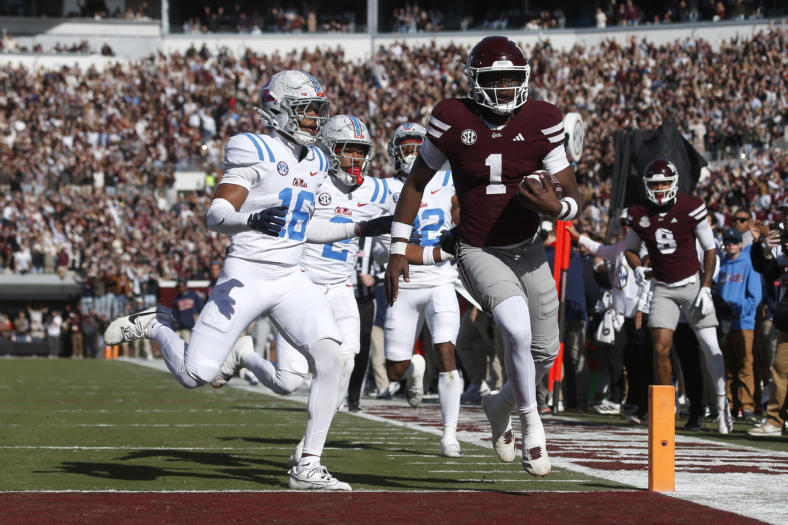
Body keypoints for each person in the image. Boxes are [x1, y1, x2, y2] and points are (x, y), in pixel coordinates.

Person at [104, 71, 389, 492]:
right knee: (194, 375)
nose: (313, 119)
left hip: (292, 277)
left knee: (334, 360)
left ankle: (308, 465)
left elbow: (304, 229)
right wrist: (250, 219)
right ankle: (156, 324)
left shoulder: (315, 162)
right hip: (247, 273)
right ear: (278, 109)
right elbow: (215, 215)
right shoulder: (251, 147)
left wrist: (361, 229)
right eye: (306, 110)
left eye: (317, 111)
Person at [386, 36, 582, 477]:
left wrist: (557, 209)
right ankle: (532, 425)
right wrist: (398, 248)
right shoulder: (452, 117)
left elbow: (573, 196)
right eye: (494, 79)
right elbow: (416, 183)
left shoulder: (543, 118)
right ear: (475, 81)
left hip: (529, 249)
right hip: (478, 248)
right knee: (514, 328)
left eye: (511, 79)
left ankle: (500, 403)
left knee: (545, 353)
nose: (503, 88)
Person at [624, 159, 733, 434]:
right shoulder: (639, 212)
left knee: (711, 347)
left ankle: (722, 405)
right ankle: (665, 405)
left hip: (692, 284)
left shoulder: (691, 206)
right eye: (654, 184)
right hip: (662, 287)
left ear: (673, 184)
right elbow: (630, 249)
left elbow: (710, 249)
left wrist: (706, 287)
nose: (659, 189)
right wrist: (638, 267)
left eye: (664, 183)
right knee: (660, 347)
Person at [376, 122, 464, 458]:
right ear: (394, 150)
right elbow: (397, 251)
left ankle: (449, 434)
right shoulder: (384, 190)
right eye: (406, 146)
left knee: (446, 351)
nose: (413, 153)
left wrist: (461, 227)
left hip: (441, 281)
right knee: (394, 370)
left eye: (418, 146)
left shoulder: (446, 179)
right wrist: (442, 251)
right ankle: (414, 367)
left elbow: (459, 214)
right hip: (407, 282)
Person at [568, 210, 650, 416]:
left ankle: (638, 401)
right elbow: (602, 250)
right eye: (623, 223)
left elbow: (648, 280)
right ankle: (621, 399)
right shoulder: (623, 246)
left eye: (628, 223)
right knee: (619, 357)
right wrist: (578, 237)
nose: (625, 227)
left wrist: (642, 306)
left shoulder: (645, 247)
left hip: (640, 312)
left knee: (639, 359)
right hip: (621, 313)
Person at [718, 227, 762, 421]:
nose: (730, 245)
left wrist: (738, 309)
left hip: (743, 322)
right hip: (724, 323)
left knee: (745, 365)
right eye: (727, 242)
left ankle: (747, 406)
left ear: (741, 244)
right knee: (727, 367)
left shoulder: (749, 263)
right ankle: (730, 406)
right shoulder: (721, 264)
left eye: (734, 242)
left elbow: (755, 297)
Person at [171, 279, 204, 343]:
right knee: (187, 345)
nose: (181, 288)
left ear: (186, 286)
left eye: (182, 286)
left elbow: (201, 308)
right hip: (184, 327)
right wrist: (173, 329)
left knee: (196, 343)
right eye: (179, 286)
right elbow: (175, 316)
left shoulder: (193, 295)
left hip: (195, 325)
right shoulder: (176, 300)